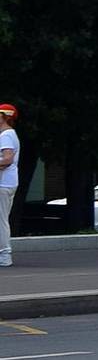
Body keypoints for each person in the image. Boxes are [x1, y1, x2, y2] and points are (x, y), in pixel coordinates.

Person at [0, 103, 19, 268]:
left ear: (4, 116)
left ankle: (5, 256)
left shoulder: (6, 136)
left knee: (1, 220)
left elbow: (7, 159)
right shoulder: (9, 134)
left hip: (3, 183)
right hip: (7, 183)